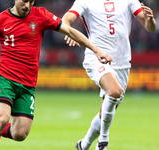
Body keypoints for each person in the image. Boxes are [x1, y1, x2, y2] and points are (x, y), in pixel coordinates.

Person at [0, 0, 112, 150]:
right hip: (5, 78)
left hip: (27, 84)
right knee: (2, 118)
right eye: (24, 1)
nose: (27, 6)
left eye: (31, 1)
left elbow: (69, 31)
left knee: (19, 133)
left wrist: (96, 50)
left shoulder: (41, 15)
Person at [62, 0, 156, 150]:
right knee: (114, 91)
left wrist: (150, 20)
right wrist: (68, 30)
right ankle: (103, 142)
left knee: (105, 112)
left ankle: (84, 144)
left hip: (122, 61)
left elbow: (149, 27)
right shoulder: (85, 1)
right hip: (97, 56)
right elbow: (66, 19)